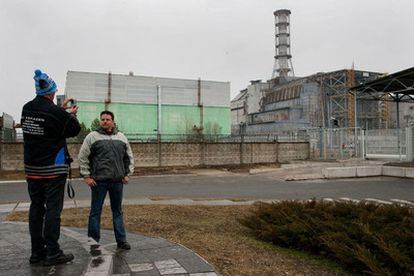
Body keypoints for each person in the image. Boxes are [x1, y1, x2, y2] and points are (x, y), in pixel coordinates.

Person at [21, 69, 81, 266]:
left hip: (32, 169)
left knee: (36, 209)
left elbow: (46, 123)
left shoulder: (27, 109)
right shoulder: (56, 113)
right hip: (53, 170)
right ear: (52, 91)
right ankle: (53, 253)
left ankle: (36, 252)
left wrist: (60, 111)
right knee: (53, 211)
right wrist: (70, 114)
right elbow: (73, 129)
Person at [78, 110, 134, 250]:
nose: (105, 121)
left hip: (117, 181)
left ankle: (121, 240)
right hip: (99, 182)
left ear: (113, 121)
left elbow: (129, 157)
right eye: (102, 119)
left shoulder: (121, 137)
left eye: (108, 119)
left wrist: (128, 174)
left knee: (118, 211)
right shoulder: (92, 137)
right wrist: (86, 176)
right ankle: (93, 241)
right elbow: (82, 157)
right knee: (95, 212)